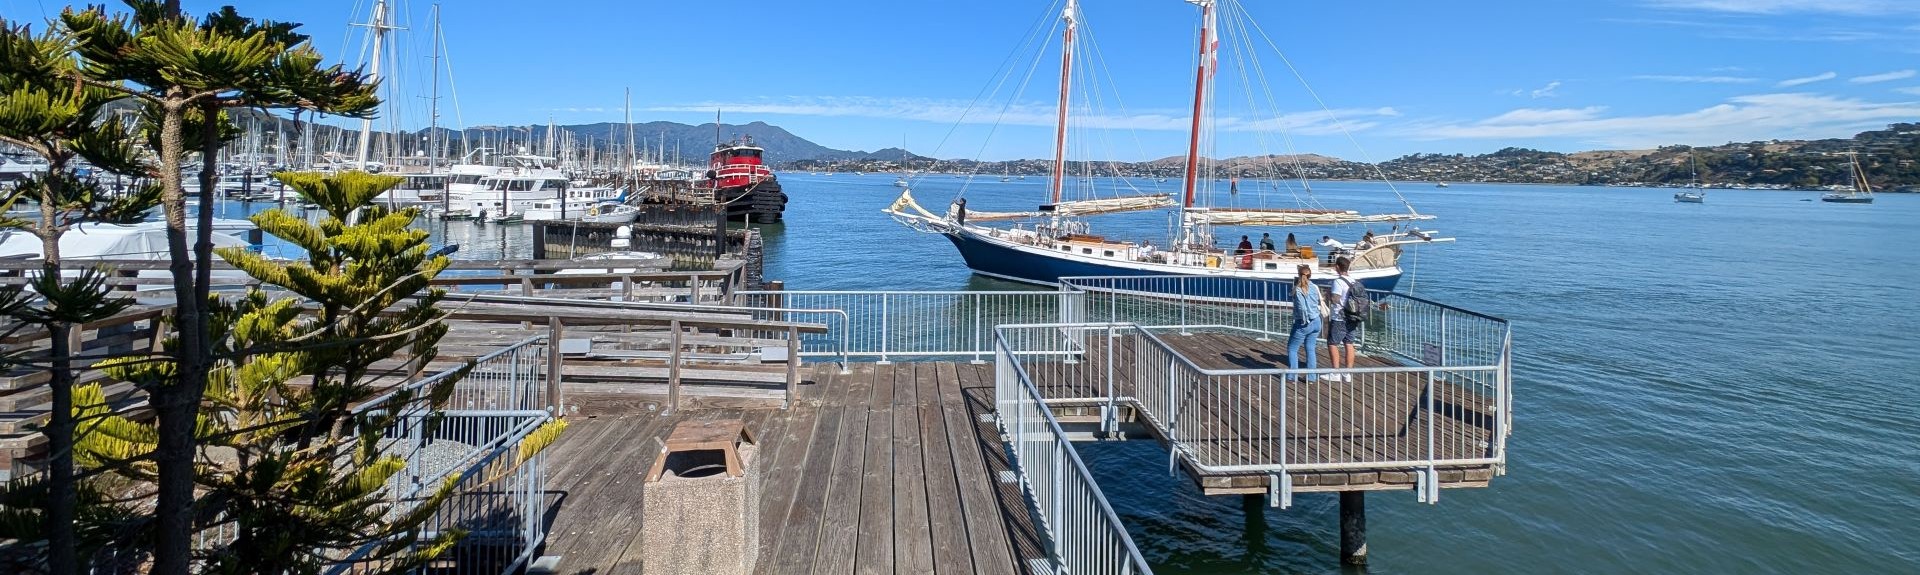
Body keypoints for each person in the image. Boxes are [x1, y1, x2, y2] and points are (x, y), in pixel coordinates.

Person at [1286, 264, 1323, 383]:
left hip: (1304, 323)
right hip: (1317, 321)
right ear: (1310, 275)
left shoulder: (1298, 289)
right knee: (1310, 348)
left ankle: (1292, 377)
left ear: (1299, 275)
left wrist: (1304, 320)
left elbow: (1302, 308)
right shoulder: (1314, 287)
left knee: (1292, 348)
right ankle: (1311, 378)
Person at [1326, 257, 1360, 382]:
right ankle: (1347, 374)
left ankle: (1335, 373)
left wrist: (1328, 294)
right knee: (1349, 343)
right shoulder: (1354, 281)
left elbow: (1335, 300)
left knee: (1332, 343)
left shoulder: (1338, 282)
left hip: (1340, 317)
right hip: (1353, 316)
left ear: (1338, 267)